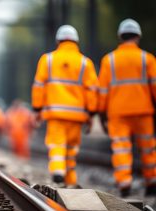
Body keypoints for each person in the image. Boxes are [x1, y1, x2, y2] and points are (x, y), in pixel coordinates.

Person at [31, 25, 98, 186]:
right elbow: (92, 90)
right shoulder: (85, 63)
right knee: (71, 149)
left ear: (58, 40)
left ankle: (58, 171)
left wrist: (37, 109)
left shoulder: (47, 59)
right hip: (77, 115)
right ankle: (70, 180)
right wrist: (91, 113)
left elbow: (39, 86)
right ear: (76, 41)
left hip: (55, 113)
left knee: (57, 144)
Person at [98, 19, 156, 196]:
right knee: (148, 147)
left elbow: (102, 90)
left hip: (118, 112)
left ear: (120, 37)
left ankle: (124, 182)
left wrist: (101, 112)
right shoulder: (148, 59)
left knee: (121, 148)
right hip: (143, 111)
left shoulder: (109, 60)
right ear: (138, 36)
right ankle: (152, 180)